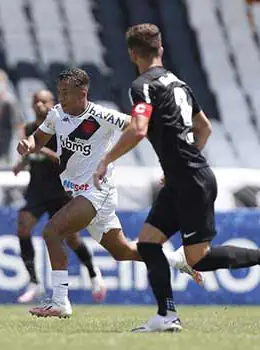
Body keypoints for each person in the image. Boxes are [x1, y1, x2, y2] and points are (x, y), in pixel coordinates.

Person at [93, 24, 260, 332]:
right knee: (150, 243)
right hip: (185, 177)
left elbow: (138, 129)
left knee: (199, 259)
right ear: (161, 50)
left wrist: (105, 160)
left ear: (131, 53)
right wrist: (178, 164)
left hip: (190, 180)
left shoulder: (142, 85)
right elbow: (204, 127)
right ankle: (166, 316)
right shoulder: (180, 84)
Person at [17, 68, 201, 318]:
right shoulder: (56, 114)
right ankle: (178, 260)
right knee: (123, 252)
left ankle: (60, 301)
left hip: (97, 191)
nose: (61, 97)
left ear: (82, 93)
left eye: (66, 93)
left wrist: (169, 158)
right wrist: (28, 144)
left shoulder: (101, 115)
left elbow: (138, 127)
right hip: (78, 193)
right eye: (59, 92)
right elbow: (38, 138)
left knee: (52, 231)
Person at [13, 89, 106, 304]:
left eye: (44, 101)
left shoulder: (62, 127)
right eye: (36, 101)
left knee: (72, 238)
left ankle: (94, 274)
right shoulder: (29, 129)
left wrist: (39, 149)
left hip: (61, 191)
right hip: (37, 190)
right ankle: (34, 283)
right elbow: (30, 155)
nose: (39, 105)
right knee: (23, 226)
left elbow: (66, 160)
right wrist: (21, 163)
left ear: (53, 103)